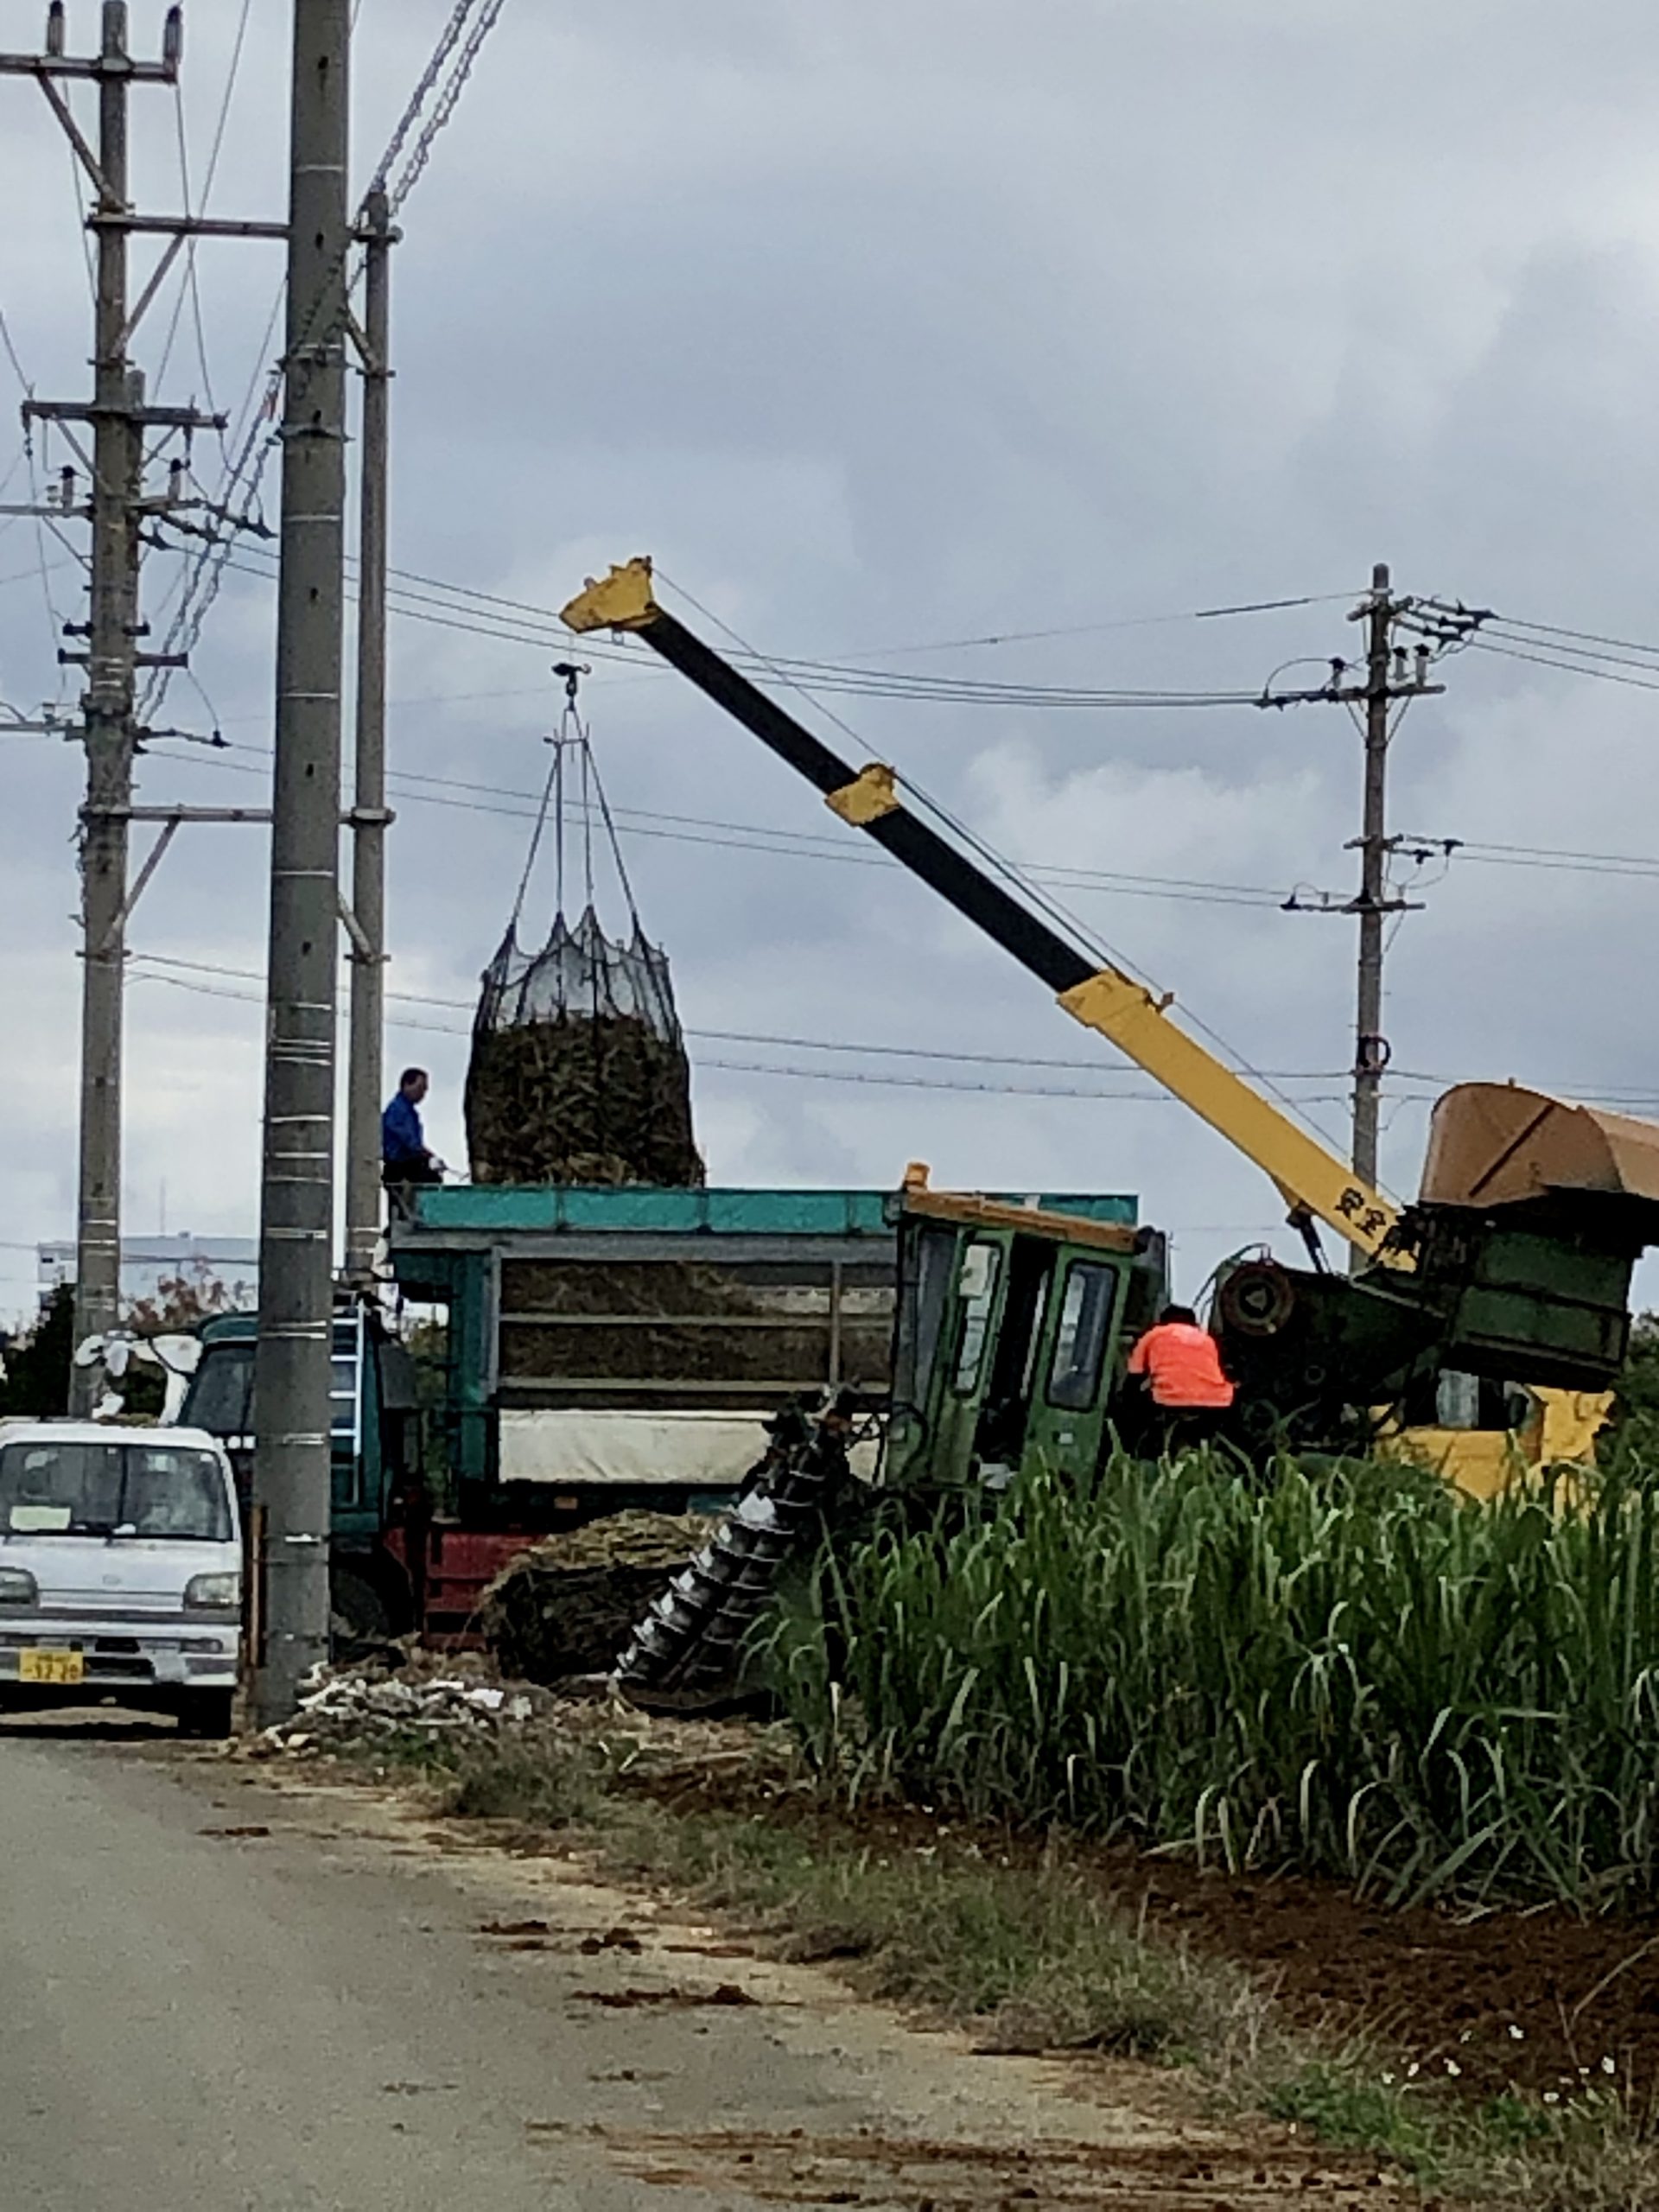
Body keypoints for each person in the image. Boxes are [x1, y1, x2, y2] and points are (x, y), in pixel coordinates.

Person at [1124, 1302, 1235, 1455]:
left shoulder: (1154, 1335)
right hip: (1217, 1402)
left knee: (1135, 1417)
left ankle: (1133, 1452)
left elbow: (1134, 1375)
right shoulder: (1206, 1339)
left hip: (1170, 1400)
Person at [381, 1067, 442, 1189]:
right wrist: (425, 1153)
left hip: (408, 1164)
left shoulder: (411, 1113)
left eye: (425, 1090)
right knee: (431, 1180)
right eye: (420, 1088)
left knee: (433, 1178)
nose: (422, 1094)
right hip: (399, 1166)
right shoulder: (397, 1109)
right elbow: (406, 1139)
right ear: (406, 1085)